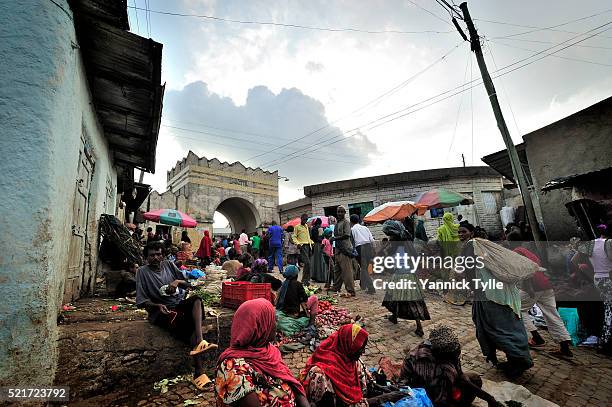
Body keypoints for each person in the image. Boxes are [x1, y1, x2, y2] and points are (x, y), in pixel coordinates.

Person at [136, 242, 217, 389]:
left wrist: (178, 281)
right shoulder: (142, 272)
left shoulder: (168, 265)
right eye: (152, 255)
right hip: (161, 311)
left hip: (177, 304)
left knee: (196, 300)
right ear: (146, 257)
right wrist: (157, 305)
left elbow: (189, 284)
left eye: (158, 254)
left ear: (163, 255)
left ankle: (200, 341)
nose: (156, 257)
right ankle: (199, 372)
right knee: (188, 324)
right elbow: (142, 301)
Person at [459, 222, 533, 378]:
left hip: (488, 294)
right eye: (458, 232)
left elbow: (469, 270)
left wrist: (473, 288)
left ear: (471, 233)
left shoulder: (470, 247)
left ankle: (519, 362)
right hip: (499, 292)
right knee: (505, 327)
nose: (460, 235)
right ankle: (515, 360)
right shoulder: (484, 245)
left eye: (463, 232)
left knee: (498, 329)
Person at [215, 298, 309, 407]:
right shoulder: (232, 368)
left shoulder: (269, 351)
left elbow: (291, 382)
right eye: (272, 320)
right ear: (260, 326)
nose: (276, 324)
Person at [507, 231, 573, 357]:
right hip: (545, 284)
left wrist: (529, 287)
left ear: (509, 241)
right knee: (552, 314)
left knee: (516, 309)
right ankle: (564, 346)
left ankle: (536, 337)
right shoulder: (529, 252)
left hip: (533, 286)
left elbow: (526, 271)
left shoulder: (516, 252)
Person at [400, 325, 499, 407]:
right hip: (423, 398)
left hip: (446, 393)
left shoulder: (449, 354)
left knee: (475, 378)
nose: (456, 358)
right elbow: (403, 385)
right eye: (454, 356)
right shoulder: (414, 358)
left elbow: (462, 377)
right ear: (440, 354)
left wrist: (489, 398)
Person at [300, 323, 370, 406]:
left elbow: (365, 390)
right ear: (348, 345)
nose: (363, 352)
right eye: (360, 348)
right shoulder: (320, 374)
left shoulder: (355, 363)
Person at [381, 220, 429, 337]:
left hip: (401, 276)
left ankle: (419, 327)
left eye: (390, 236)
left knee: (402, 299)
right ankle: (395, 317)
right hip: (408, 275)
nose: (389, 238)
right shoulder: (406, 244)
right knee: (398, 298)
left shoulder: (395, 246)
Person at [572, 223, 612, 355]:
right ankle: (605, 342)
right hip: (607, 278)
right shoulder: (609, 243)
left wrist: (589, 274)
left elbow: (574, 259)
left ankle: (604, 340)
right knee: (609, 311)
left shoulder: (591, 244)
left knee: (608, 309)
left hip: (597, 279)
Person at [276, 265, 319, 336]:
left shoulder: (283, 284)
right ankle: (311, 323)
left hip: (284, 310)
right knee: (314, 298)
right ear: (296, 275)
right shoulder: (298, 284)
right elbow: (304, 299)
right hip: (294, 312)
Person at [330, 206, 356, 296]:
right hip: (338, 249)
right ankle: (336, 287)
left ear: (345, 213)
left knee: (346, 271)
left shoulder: (346, 223)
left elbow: (347, 235)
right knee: (337, 270)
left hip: (345, 249)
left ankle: (351, 290)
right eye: (338, 212)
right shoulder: (338, 223)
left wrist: (334, 238)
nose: (340, 213)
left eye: (341, 212)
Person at [350, 214, 375, 294]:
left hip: (360, 248)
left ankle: (371, 288)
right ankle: (363, 284)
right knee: (364, 267)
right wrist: (373, 250)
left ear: (351, 221)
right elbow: (372, 240)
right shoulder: (365, 228)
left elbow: (352, 242)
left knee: (363, 268)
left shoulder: (352, 229)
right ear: (359, 220)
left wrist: (352, 252)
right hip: (368, 247)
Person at [292, 214, 313, 285]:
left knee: (308, 264)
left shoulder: (306, 226)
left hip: (309, 246)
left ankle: (306, 280)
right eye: (304, 219)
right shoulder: (297, 227)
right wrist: (297, 243)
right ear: (301, 218)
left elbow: (308, 237)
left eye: (306, 219)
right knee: (307, 263)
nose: (305, 221)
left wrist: (312, 242)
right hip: (303, 246)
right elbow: (294, 237)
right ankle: (304, 280)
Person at [310, 218, 327, 283]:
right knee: (320, 261)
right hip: (319, 245)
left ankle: (314, 276)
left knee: (315, 260)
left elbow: (311, 237)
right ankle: (320, 277)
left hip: (314, 245)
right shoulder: (320, 228)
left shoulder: (312, 228)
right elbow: (320, 238)